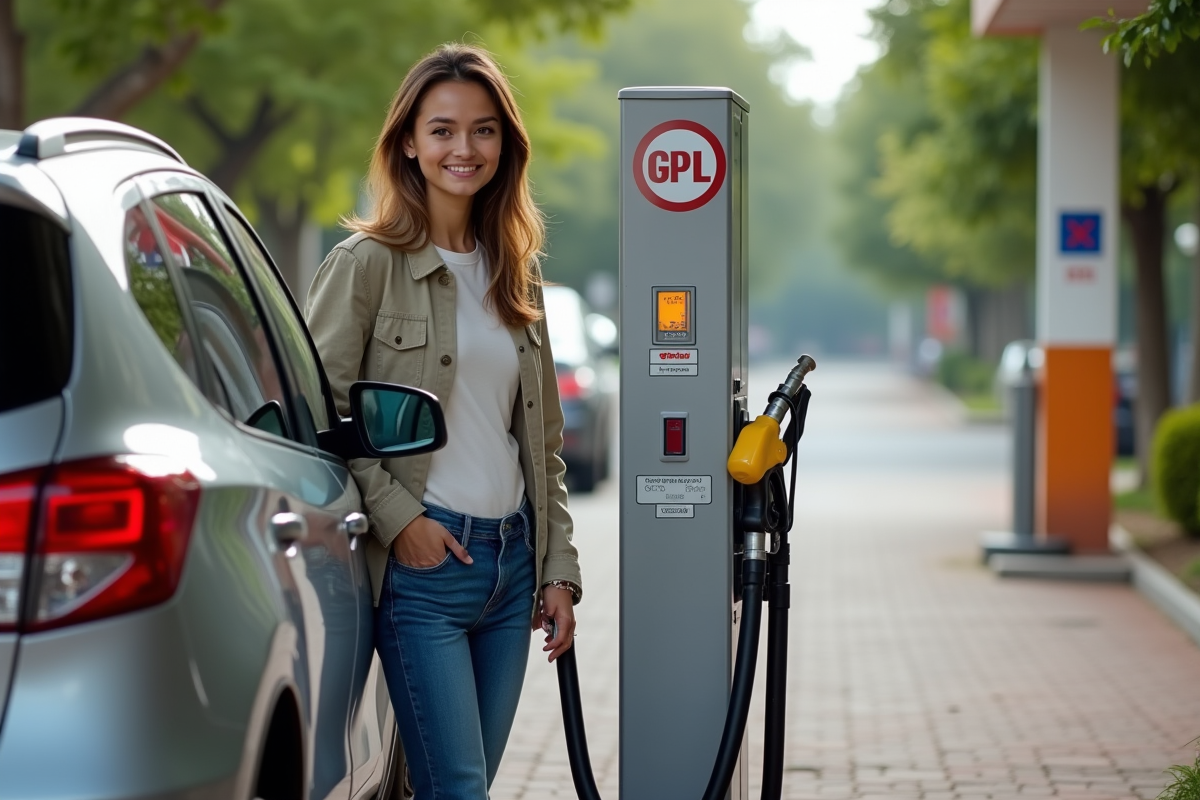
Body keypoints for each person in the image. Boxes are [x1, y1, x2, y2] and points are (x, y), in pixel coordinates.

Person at [304, 43, 582, 798]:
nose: (465, 148)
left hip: (511, 565)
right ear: (408, 143)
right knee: (458, 789)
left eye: (484, 130)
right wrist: (401, 519)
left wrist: (558, 567)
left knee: (460, 785)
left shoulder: (514, 273)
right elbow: (316, 415)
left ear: (506, 144)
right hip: (422, 569)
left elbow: (542, 443)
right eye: (443, 130)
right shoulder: (365, 264)